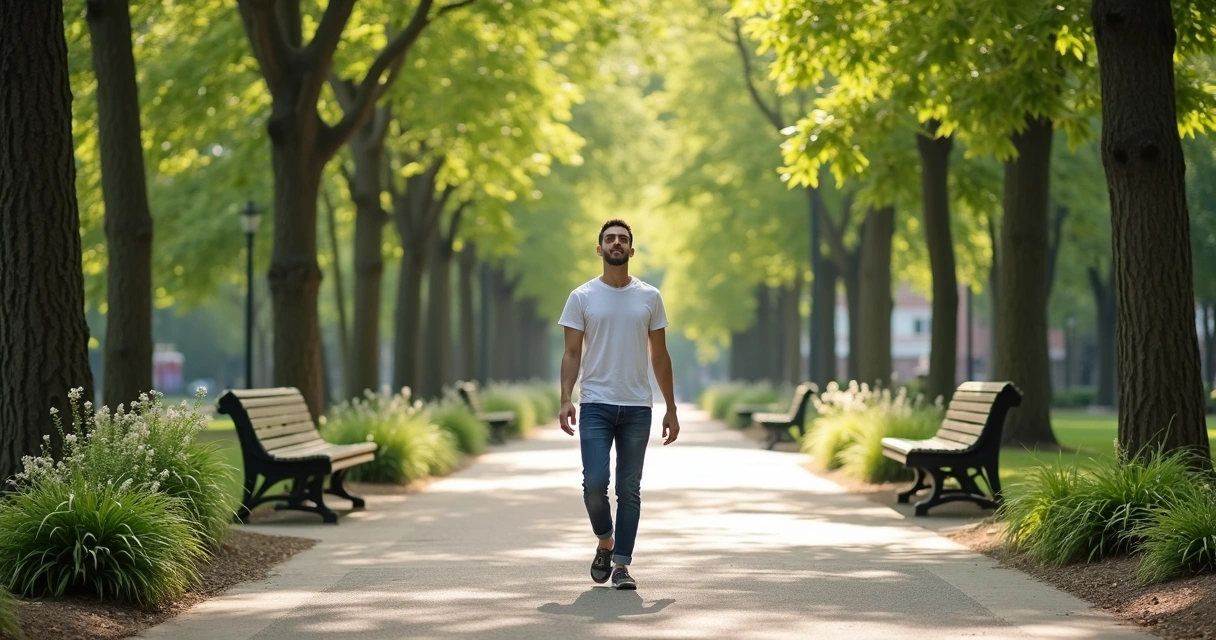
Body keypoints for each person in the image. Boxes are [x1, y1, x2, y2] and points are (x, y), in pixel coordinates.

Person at [558, 218, 679, 591]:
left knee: (629, 488)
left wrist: (670, 408)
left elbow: (660, 356)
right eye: (609, 239)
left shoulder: (649, 297)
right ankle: (605, 541)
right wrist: (565, 398)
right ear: (599, 249)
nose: (616, 243)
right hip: (595, 403)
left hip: (637, 406)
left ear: (631, 249)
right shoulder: (581, 297)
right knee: (594, 484)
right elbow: (572, 353)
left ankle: (622, 564)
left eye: (622, 239)